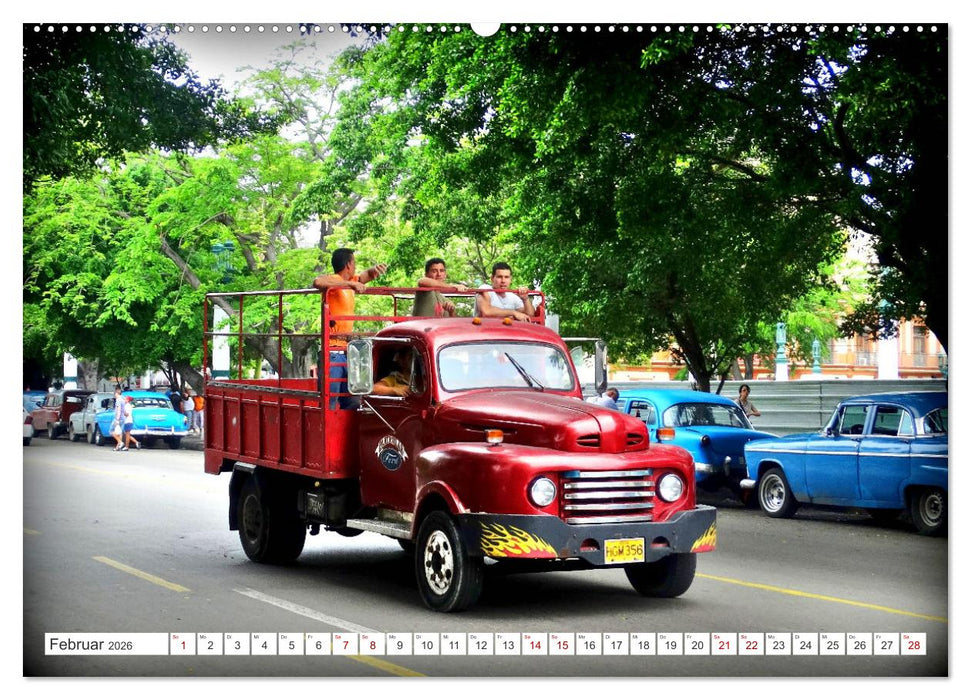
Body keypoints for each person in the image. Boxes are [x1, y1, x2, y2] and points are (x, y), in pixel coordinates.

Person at [313, 248, 387, 408]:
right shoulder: (334, 281)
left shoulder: (352, 280)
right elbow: (318, 281)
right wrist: (350, 283)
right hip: (332, 352)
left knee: (353, 401)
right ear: (348, 265)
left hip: (348, 352)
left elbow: (363, 277)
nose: (355, 267)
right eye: (354, 263)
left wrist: (374, 271)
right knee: (329, 401)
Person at [474, 262, 539, 322]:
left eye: (506, 277)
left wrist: (525, 299)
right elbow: (486, 312)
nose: (503, 281)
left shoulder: (513, 297)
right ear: (492, 278)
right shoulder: (486, 289)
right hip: (486, 332)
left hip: (508, 333)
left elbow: (530, 316)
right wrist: (513, 313)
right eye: (499, 277)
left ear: (510, 279)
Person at [110, 386, 125, 451]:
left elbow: (118, 410)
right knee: (120, 433)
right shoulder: (122, 399)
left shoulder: (118, 400)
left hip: (118, 418)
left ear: (116, 393)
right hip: (123, 418)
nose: (114, 396)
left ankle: (120, 442)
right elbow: (123, 410)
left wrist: (117, 419)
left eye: (114, 394)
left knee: (111, 431)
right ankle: (118, 447)